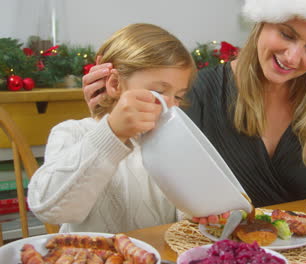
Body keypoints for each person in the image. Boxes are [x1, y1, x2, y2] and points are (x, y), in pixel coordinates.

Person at [83, 0, 306, 209]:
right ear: (261, 23)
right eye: (286, 35)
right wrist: (107, 109)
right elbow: (148, 173)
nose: (292, 57)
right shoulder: (199, 91)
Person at [27, 23, 205, 233]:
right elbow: (50, 209)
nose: (170, 106)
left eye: (178, 96)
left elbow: (185, 215)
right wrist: (112, 133)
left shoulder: (171, 145)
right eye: (158, 91)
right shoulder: (72, 133)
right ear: (115, 84)